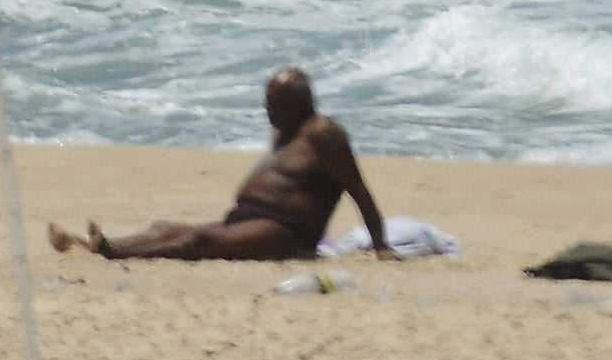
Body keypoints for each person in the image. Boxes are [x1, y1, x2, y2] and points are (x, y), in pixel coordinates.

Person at [47, 67, 396, 262]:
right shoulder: (285, 132)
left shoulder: (323, 133)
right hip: (248, 220)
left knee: (197, 241)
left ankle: (109, 251)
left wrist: (380, 246)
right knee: (164, 228)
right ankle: (93, 244)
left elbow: (359, 192)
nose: (266, 111)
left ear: (298, 104)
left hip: (284, 234)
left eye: (273, 104)